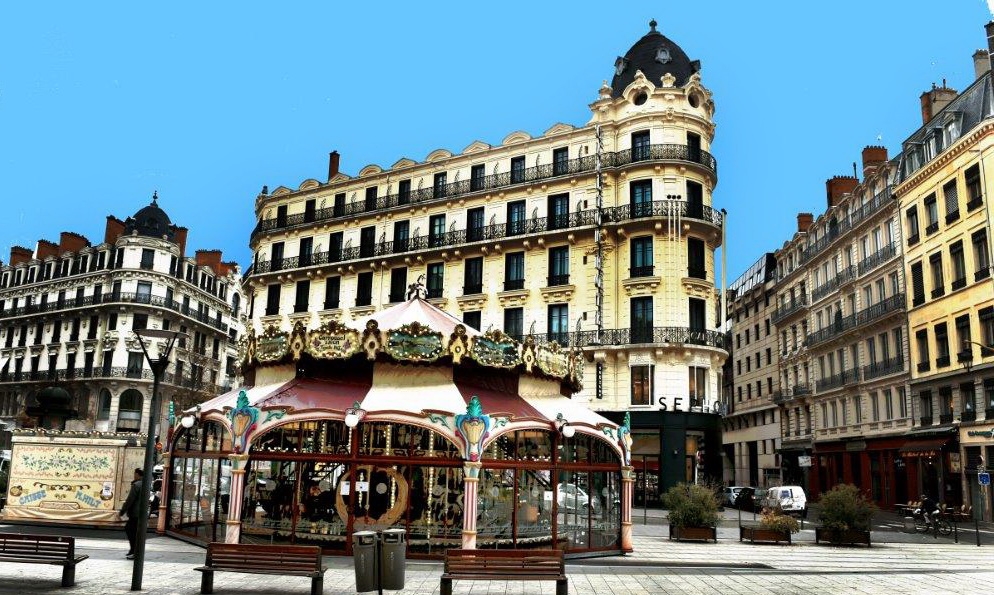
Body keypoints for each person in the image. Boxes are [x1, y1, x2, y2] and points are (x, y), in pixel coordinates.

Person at [119, 468, 144, 560]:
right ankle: (133, 550)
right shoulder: (145, 484)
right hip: (141, 513)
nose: (134, 475)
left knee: (131, 530)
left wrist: (123, 511)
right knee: (135, 531)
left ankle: (134, 551)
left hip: (135, 513)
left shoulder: (136, 485)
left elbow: (130, 500)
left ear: (137, 474)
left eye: (135, 474)